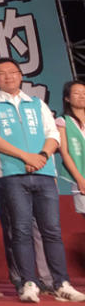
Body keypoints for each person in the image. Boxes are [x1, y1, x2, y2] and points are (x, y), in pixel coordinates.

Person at [0, 57, 85, 303]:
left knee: (52, 231)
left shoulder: (36, 103)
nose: (8, 77)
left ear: (20, 75)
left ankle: (61, 283)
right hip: (14, 176)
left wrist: (42, 156)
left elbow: (52, 135)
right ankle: (28, 283)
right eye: (2, 73)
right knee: (22, 230)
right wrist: (25, 156)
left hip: (44, 173)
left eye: (13, 72)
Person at [57, 80, 85, 216]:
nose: (82, 96)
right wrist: (79, 179)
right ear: (67, 98)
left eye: (84, 93)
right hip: (81, 175)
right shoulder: (63, 121)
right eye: (77, 93)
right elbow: (65, 153)